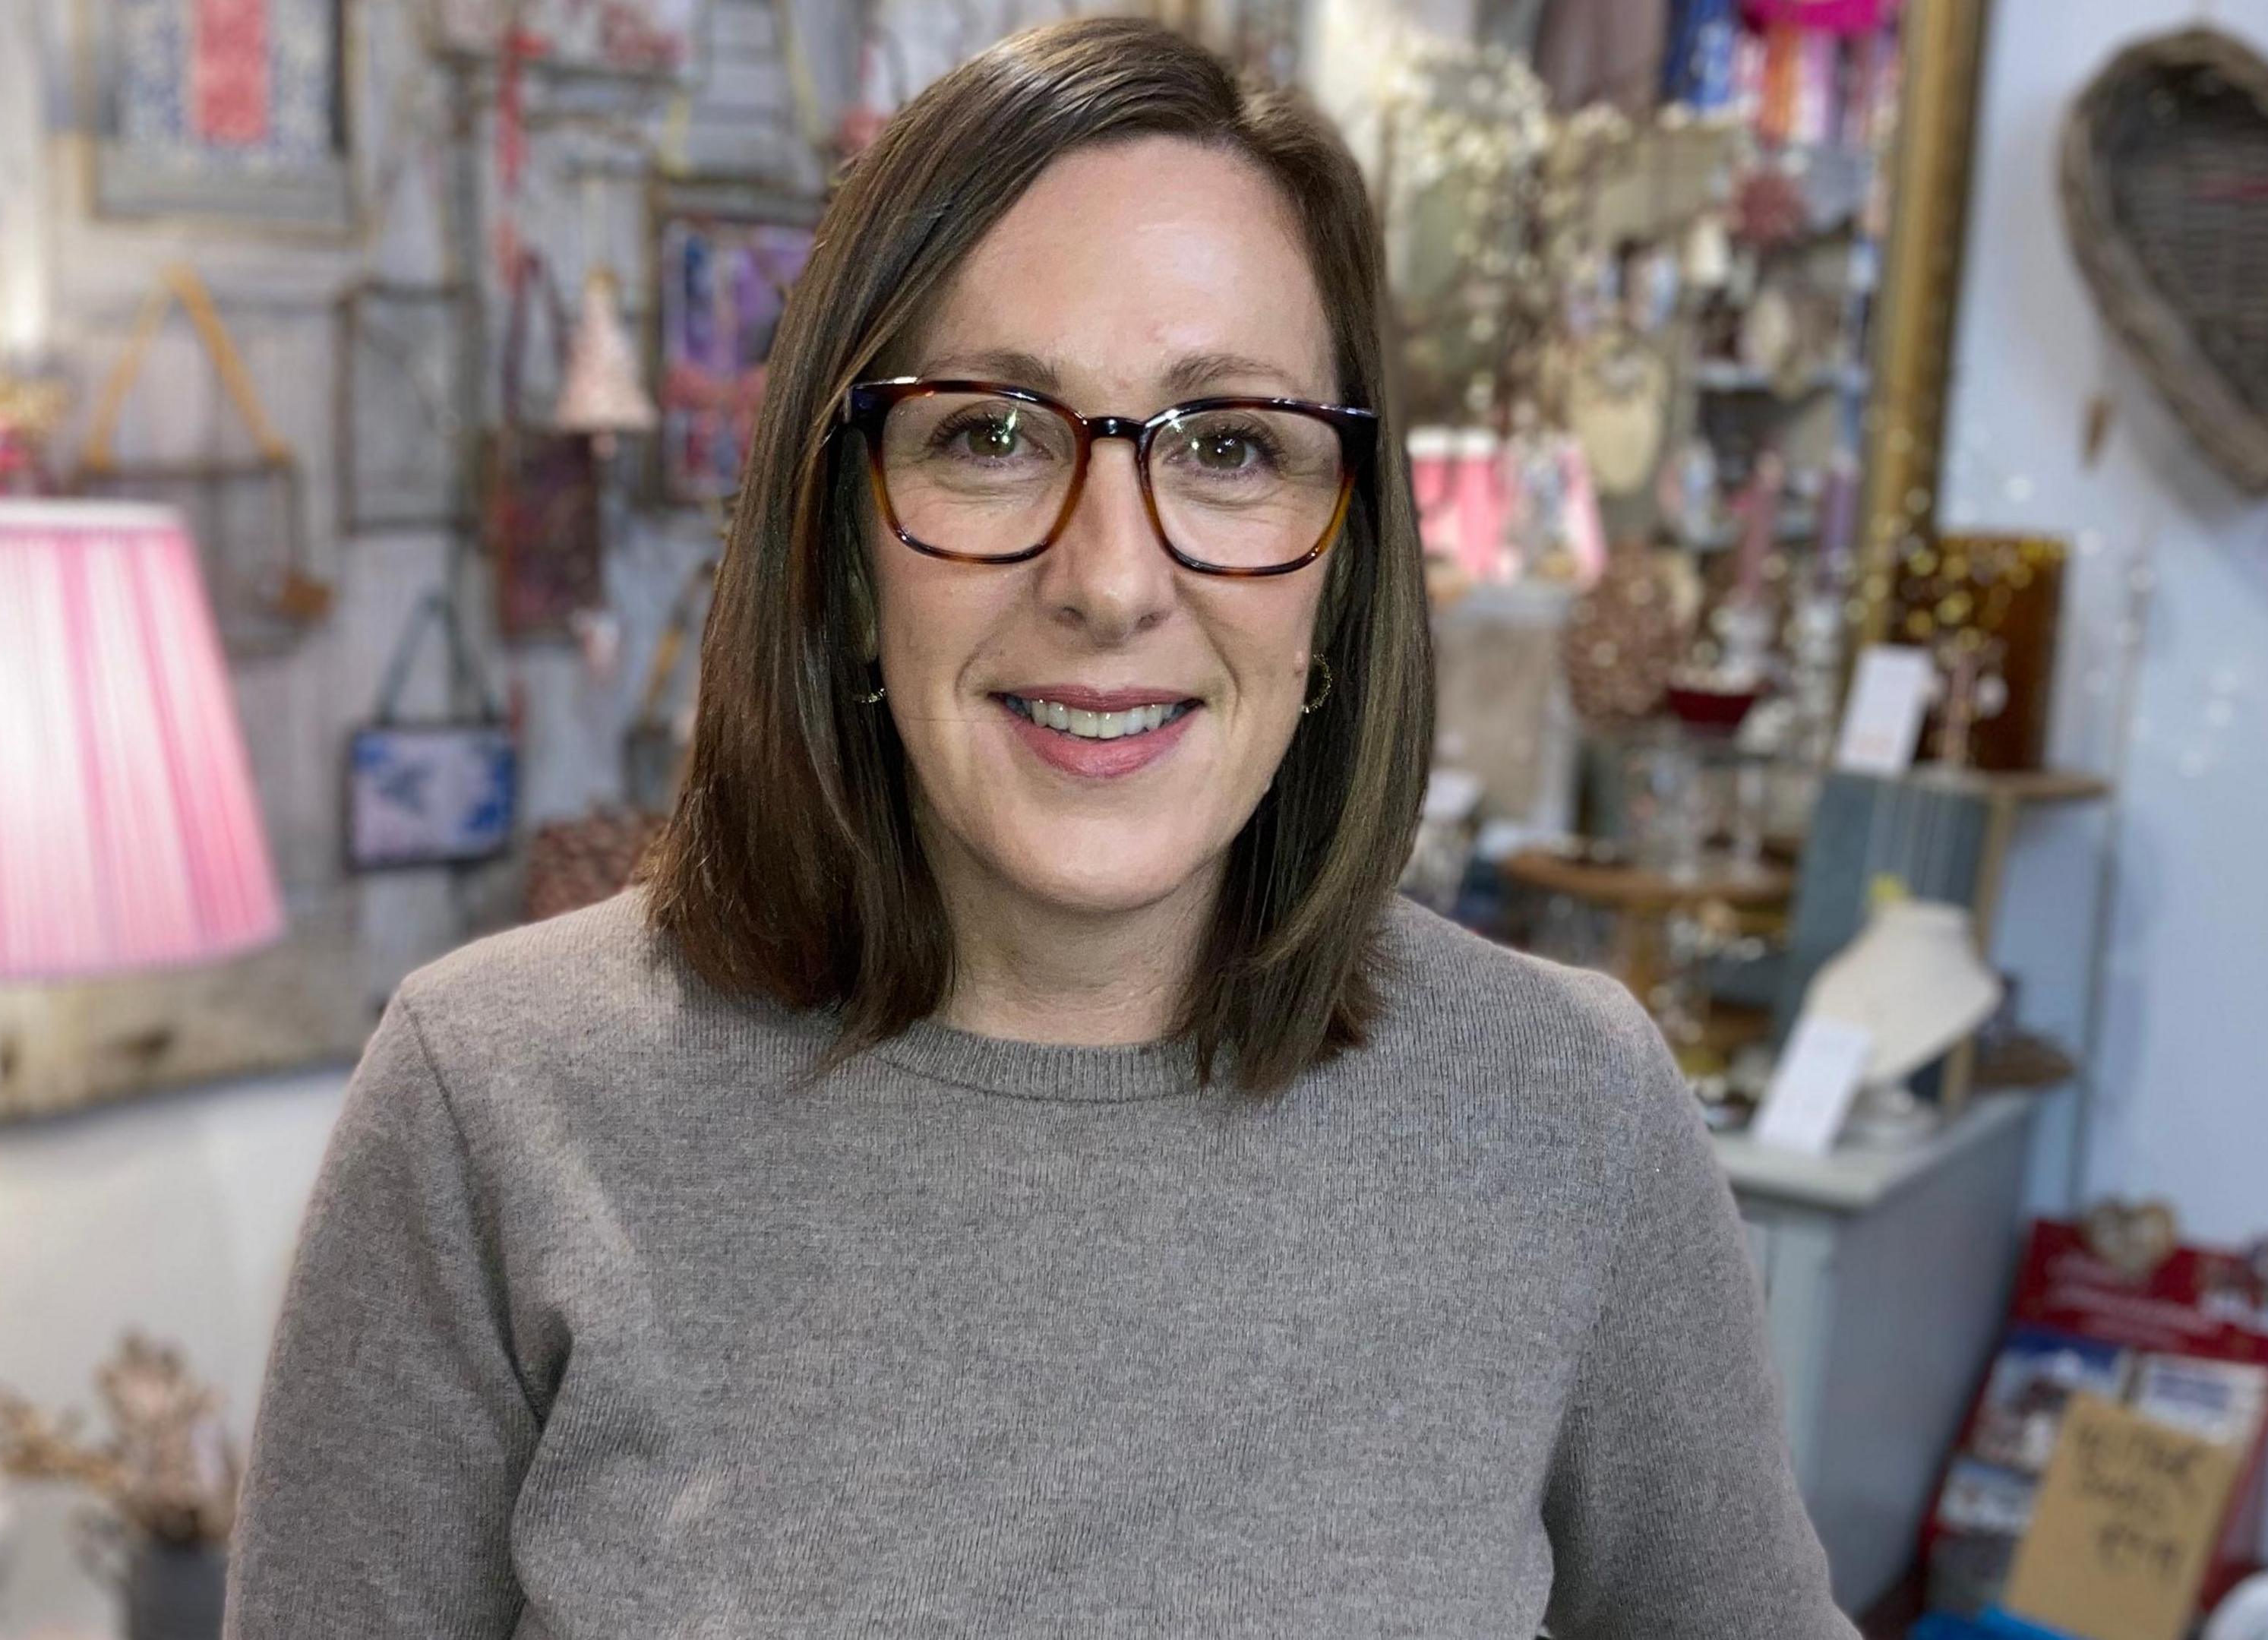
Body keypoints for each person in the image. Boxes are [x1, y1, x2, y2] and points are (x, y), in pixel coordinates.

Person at [226, 17, 1851, 1638]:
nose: (1110, 579)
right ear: (846, 549)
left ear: (1346, 570)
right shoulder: (489, 1104)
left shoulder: (1570, 1115)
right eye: (991, 435)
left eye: (1230, 447)